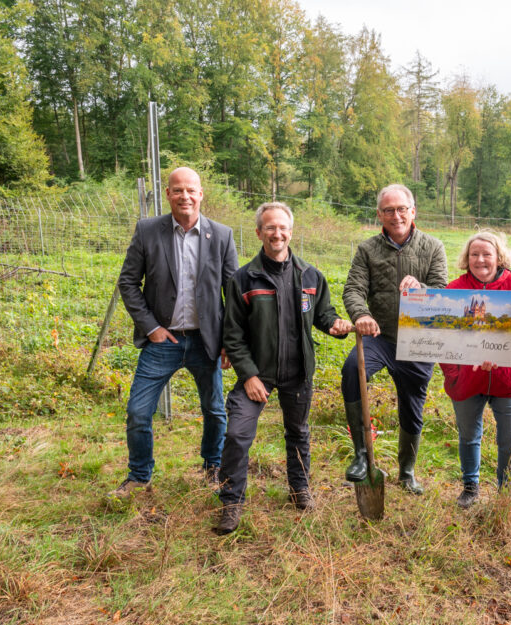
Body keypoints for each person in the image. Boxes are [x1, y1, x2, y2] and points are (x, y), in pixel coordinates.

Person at [214, 202, 353, 535]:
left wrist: (335, 324)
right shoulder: (243, 280)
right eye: (270, 227)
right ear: (260, 232)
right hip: (258, 375)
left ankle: (299, 487)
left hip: (298, 373)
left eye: (283, 227)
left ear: (291, 231)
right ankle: (231, 501)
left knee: (298, 433)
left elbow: (323, 314)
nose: (277, 233)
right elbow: (232, 336)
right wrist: (248, 376)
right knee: (237, 434)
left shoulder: (310, 276)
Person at [112, 167, 238, 499]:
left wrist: (229, 342)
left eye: (191, 190)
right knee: (139, 411)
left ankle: (213, 470)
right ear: (168, 194)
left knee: (214, 410)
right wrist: (151, 327)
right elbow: (128, 282)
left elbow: (234, 294)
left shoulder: (222, 236)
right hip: (163, 340)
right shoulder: (147, 231)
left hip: (205, 340)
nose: (185, 196)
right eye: (178, 190)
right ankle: (140, 477)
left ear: (201, 194)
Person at [342, 183, 448, 495]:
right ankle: (362, 454)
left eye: (402, 209)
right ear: (380, 215)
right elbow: (353, 288)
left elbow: (441, 291)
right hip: (380, 337)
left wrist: (422, 289)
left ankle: (407, 472)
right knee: (351, 370)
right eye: (389, 210)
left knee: (412, 405)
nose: (396, 215)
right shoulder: (368, 249)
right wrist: (361, 314)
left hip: (418, 341)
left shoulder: (432, 247)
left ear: (413, 211)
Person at [439, 231, 511, 508]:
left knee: (510, 440)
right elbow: (443, 339)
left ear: (498, 257)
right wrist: (453, 374)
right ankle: (470, 487)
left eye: (487, 254)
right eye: (474, 254)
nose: (480, 260)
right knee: (469, 436)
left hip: (508, 380)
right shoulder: (455, 289)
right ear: (467, 258)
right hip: (467, 380)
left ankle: (506, 492)